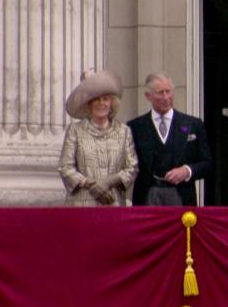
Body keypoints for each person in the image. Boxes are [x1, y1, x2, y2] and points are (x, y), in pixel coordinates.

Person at [128, 73, 213, 206]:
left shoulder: (193, 124)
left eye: (168, 91)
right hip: (147, 197)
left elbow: (208, 164)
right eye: (160, 93)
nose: (166, 97)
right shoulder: (135, 127)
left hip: (182, 195)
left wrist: (187, 171)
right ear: (148, 96)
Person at [58, 69, 138, 206]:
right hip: (82, 204)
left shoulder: (124, 131)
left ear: (112, 103)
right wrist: (91, 185)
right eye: (96, 99)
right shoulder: (75, 130)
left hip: (113, 202)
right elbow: (65, 167)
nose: (101, 103)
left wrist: (108, 182)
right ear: (88, 104)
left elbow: (132, 168)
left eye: (105, 99)